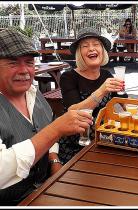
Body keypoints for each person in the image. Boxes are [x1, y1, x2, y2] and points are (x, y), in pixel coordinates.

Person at [0, 28, 93, 205]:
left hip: (45, 188)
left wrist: (54, 160)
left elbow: (48, 130)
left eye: (29, 62)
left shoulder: (34, 94)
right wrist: (57, 129)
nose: (24, 70)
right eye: (13, 63)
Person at [58, 27, 127, 164]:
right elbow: (73, 110)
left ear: (102, 51)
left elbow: (124, 103)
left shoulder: (107, 75)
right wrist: (101, 91)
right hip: (77, 146)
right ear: (79, 53)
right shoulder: (69, 77)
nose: (91, 49)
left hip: (103, 141)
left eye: (96, 44)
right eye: (85, 46)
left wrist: (132, 107)